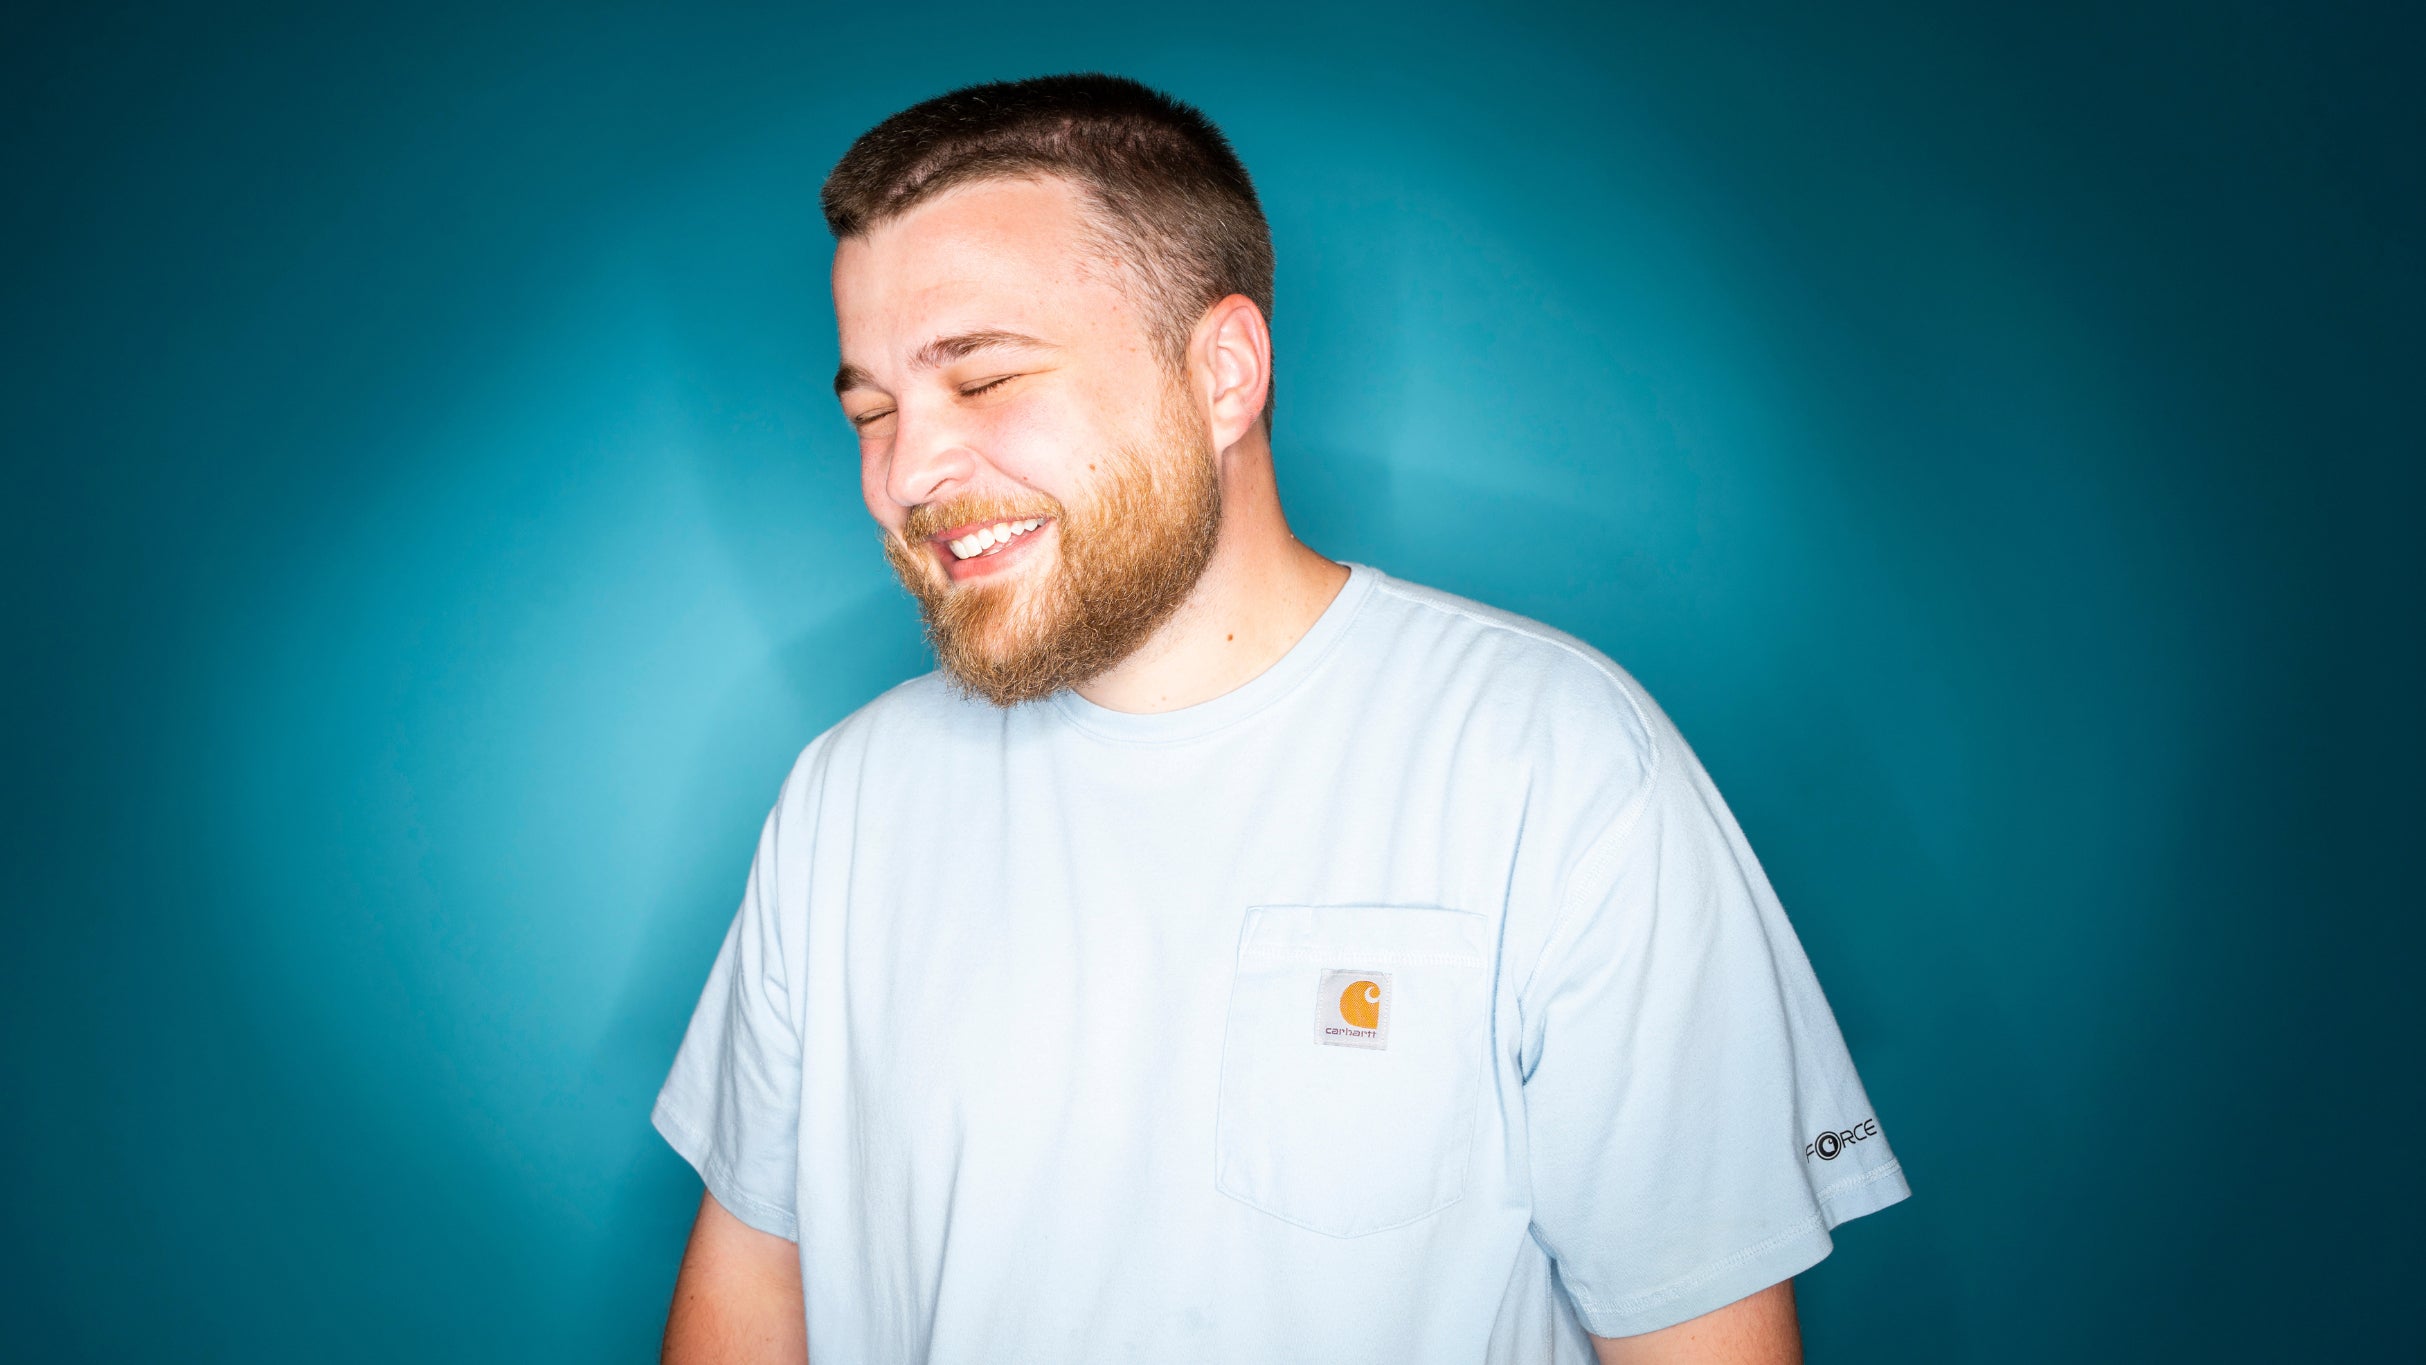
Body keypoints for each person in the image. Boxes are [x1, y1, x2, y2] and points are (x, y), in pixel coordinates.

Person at [652, 73, 1908, 1365]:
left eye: (982, 380)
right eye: (873, 412)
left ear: (1224, 373)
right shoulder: (846, 798)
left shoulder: (1558, 767)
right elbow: (753, 1291)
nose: (907, 473)